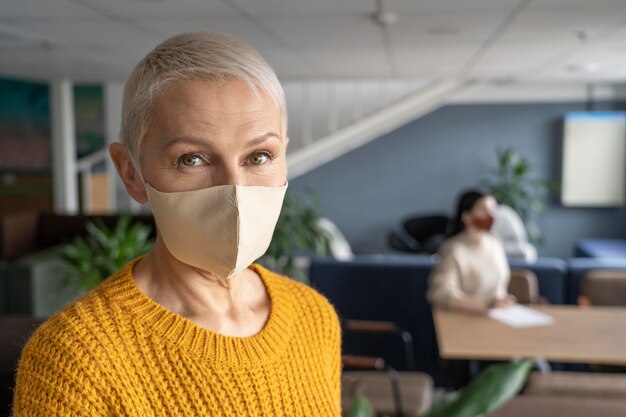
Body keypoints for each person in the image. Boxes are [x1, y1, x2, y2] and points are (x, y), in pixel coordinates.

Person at [13, 32, 341, 416]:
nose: (233, 190)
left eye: (259, 156)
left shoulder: (314, 318)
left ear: (284, 155)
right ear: (131, 173)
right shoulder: (75, 360)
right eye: (192, 159)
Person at [427, 189, 515, 314]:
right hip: (463, 317)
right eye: (484, 209)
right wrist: (484, 305)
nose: (490, 215)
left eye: (492, 209)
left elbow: (500, 288)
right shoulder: (453, 248)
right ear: (466, 216)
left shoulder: (495, 242)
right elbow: (440, 293)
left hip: (497, 316)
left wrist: (502, 301)